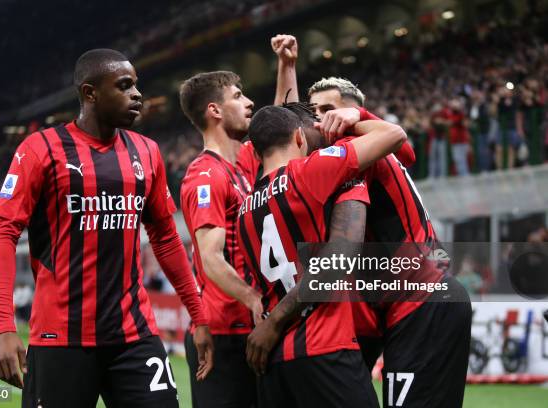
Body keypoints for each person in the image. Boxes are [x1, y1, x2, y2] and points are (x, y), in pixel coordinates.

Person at [0, 48, 213, 408]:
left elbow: (166, 238)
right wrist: (4, 327)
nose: (137, 94)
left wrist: (198, 315)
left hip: (134, 333)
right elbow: (3, 236)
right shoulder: (40, 149)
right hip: (61, 336)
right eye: (124, 86)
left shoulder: (148, 151)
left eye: (136, 85)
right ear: (90, 93)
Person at [307, 79, 472, 407]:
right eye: (314, 112)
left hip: (426, 302)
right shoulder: (349, 155)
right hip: (393, 305)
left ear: (353, 114)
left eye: (329, 109)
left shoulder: (360, 149)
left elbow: (406, 149)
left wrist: (359, 115)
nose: (320, 119)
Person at [238, 104, 406, 407]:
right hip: (324, 347)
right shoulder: (310, 171)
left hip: (274, 361)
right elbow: (394, 135)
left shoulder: (243, 211)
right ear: (300, 138)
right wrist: (351, 120)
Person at [178, 35, 298, 408]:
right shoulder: (205, 176)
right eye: (238, 97)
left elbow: (282, 121)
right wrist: (255, 298)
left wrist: (286, 65)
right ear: (215, 110)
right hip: (226, 331)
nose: (249, 103)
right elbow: (211, 258)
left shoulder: (243, 164)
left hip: (250, 326)